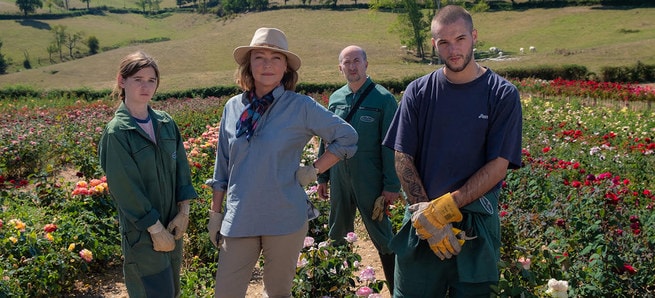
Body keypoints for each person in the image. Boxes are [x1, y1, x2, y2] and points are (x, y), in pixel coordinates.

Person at [205, 27, 358, 298]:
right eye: (259, 57)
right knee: (225, 293)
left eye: (276, 58)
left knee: (277, 293)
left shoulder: (300, 107)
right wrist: (216, 215)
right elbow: (222, 166)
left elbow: (347, 137)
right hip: (240, 216)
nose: (267, 64)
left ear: (286, 67)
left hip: (285, 217)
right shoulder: (232, 107)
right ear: (248, 65)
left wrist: (313, 171)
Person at [382, 5, 523, 297]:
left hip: (474, 225)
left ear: (474, 37)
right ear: (435, 45)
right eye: (443, 42)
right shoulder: (418, 92)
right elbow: (402, 156)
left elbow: (498, 165)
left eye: (460, 39)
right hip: (421, 223)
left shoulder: (501, 94)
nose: (453, 49)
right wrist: (425, 214)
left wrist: (443, 210)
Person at [98, 51, 198, 298]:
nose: (146, 86)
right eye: (138, 79)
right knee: (153, 292)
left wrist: (183, 211)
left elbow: (181, 170)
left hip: (172, 224)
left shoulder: (165, 123)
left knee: (171, 290)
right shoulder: (117, 133)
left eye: (151, 80)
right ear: (122, 81)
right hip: (142, 233)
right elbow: (125, 189)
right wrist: (155, 229)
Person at [316, 45, 400, 292]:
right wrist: (322, 176)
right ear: (340, 67)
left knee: (382, 235)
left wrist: (391, 185)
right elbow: (326, 139)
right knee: (337, 232)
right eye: (347, 62)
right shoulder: (335, 99)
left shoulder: (383, 99)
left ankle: (398, 289)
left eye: (356, 61)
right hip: (340, 175)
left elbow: (391, 145)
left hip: (370, 177)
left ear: (366, 64)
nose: (352, 66)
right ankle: (337, 289)